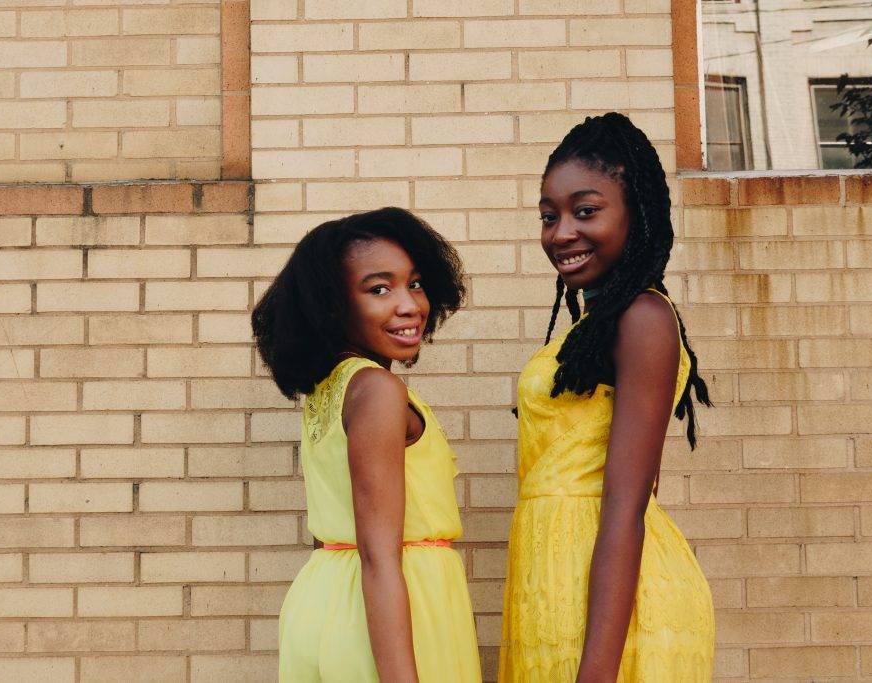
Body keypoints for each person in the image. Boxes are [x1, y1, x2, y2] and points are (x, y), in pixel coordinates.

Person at [499, 113, 715, 682]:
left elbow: (627, 502)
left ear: (635, 211)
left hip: (610, 615)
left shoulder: (643, 318)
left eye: (585, 210)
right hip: (557, 587)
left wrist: (597, 672)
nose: (561, 232)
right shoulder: (592, 327)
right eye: (549, 216)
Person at [253, 207, 481, 682]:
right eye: (379, 289)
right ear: (333, 306)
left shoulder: (333, 389)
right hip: (392, 610)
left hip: (328, 596)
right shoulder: (376, 390)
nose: (409, 305)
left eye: (414, 283)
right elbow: (379, 555)